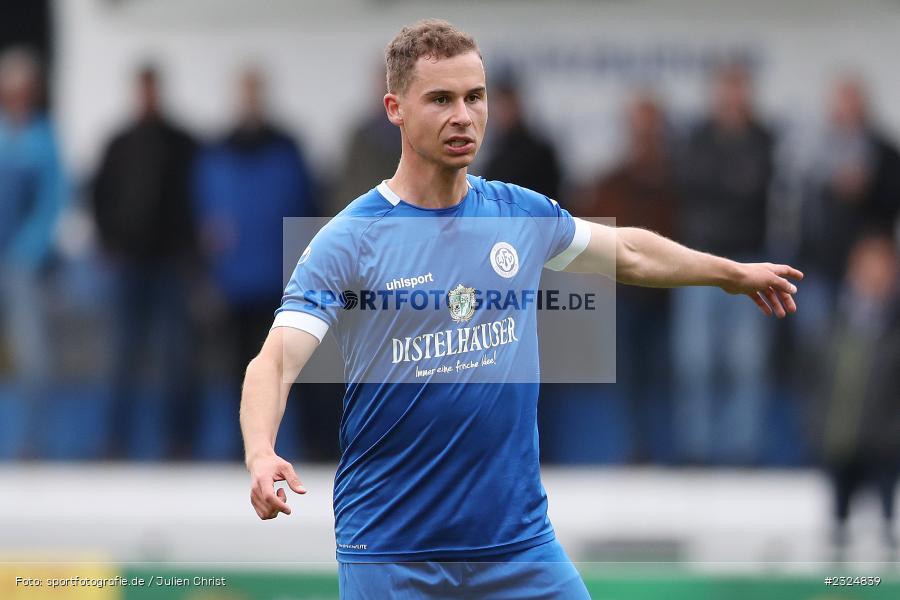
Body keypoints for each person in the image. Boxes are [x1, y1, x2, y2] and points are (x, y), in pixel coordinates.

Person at [240, 20, 802, 599]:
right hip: (393, 549)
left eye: (474, 97)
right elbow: (275, 361)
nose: (463, 115)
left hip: (517, 547)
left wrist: (730, 273)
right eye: (440, 99)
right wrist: (261, 454)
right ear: (395, 108)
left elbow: (629, 252)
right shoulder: (350, 238)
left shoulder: (517, 213)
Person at [672, 61, 776, 466]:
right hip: (701, 261)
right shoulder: (699, 138)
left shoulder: (762, 138)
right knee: (694, 362)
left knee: (746, 364)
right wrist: (729, 184)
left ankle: (742, 451)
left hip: (749, 259)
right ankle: (697, 449)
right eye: (726, 90)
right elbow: (693, 190)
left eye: (739, 90)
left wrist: (727, 187)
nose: (733, 99)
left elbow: (753, 192)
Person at [91, 65, 198, 459]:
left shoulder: (183, 143)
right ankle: (115, 441)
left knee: (177, 358)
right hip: (129, 264)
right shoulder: (119, 142)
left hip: (171, 264)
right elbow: (98, 193)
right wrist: (108, 242)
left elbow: (197, 200)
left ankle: (179, 443)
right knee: (122, 356)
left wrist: (191, 251)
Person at [579, 91, 678, 463]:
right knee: (627, 378)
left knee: (670, 375)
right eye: (638, 125)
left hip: (667, 294)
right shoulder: (613, 182)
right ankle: (634, 450)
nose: (645, 134)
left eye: (651, 125)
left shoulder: (674, 183)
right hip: (624, 297)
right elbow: (590, 232)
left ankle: (671, 452)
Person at [813, 234, 900, 557]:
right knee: (836, 537)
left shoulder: (893, 326)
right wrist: (817, 427)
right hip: (840, 442)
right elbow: (814, 382)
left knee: (887, 535)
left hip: (886, 449)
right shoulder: (833, 323)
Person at [0, 47, 66, 457]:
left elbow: (52, 203)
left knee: (33, 355)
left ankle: (31, 441)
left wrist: (26, 251)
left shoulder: (44, 141)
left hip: (24, 266)